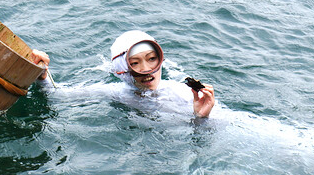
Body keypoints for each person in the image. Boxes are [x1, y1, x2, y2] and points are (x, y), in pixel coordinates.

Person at [30, 30, 216, 118]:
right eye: (135, 63)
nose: (145, 68)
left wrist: (201, 118)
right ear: (122, 69)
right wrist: (42, 75)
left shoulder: (184, 93)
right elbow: (58, 96)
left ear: (160, 60)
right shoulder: (114, 93)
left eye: (151, 59)